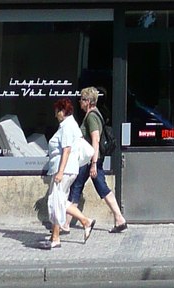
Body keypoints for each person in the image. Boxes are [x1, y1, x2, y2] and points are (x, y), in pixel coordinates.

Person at [68, 86, 127, 234]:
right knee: (101, 188)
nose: (79, 102)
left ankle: (65, 224)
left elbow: (95, 140)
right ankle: (119, 219)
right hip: (92, 160)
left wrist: (93, 163)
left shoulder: (92, 116)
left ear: (88, 101)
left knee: (76, 188)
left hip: (90, 160)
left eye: (81, 100)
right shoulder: (94, 114)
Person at [45, 96, 95, 249]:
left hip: (64, 170)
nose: (55, 115)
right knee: (60, 202)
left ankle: (55, 238)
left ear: (63, 111)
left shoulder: (67, 126)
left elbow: (66, 150)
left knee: (56, 201)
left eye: (57, 111)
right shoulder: (70, 125)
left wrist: (60, 172)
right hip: (69, 169)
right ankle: (86, 221)